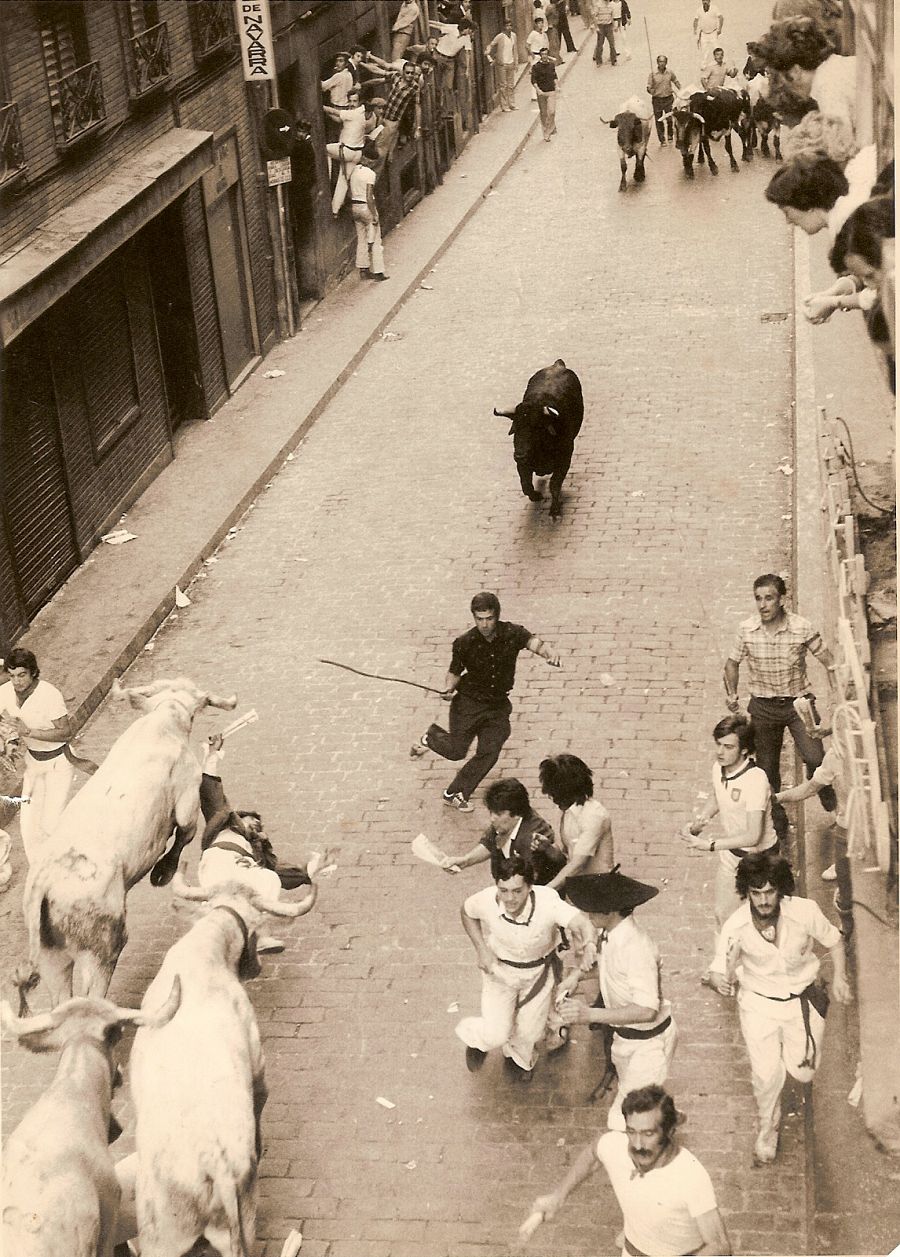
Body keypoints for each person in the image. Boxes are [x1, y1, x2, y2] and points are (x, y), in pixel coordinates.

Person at [708, 852, 851, 1164]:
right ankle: (768, 1126)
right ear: (746, 893)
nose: (763, 900)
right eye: (756, 893)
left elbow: (834, 940)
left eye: (770, 891)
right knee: (765, 1074)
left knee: (803, 1070)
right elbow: (720, 969)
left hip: (802, 1001)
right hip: (758, 1004)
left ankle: (786, 1074)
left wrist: (840, 977)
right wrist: (721, 980)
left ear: (781, 891)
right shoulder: (736, 926)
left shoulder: (804, 911)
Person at [530, 1085, 732, 1256]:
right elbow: (593, 1154)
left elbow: (720, 1245)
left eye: (648, 1133)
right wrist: (558, 1196)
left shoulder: (690, 1176)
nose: (637, 1144)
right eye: (631, 1131)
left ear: (670, 1132)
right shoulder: (617, 1147)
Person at [410, 592, 561, 811]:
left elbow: (534, 643)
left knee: (490, 751)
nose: (484, 624)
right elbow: (454, 671)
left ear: (496, 616)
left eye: (489, 618)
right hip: (468, 704)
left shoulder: (512, 633)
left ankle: (455, 792)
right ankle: (431, 737)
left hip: (497, 705)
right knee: (456, 751)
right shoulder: (465, 642)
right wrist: (448, 688)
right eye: (479, 619)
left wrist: (550, 653)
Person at [557, 871, 678, 1132]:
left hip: (649, 1044)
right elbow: (608, 966)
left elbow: (647, 1010)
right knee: (639, 1099)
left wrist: (588, 1015)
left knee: (621, 1121)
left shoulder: (636, 947)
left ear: (611, 910)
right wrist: (577, 977)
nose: (587, 913)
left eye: (593, 908)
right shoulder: (612, 933)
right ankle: (663, 1115)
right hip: (625, 1040)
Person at [455, 856, 593, 1082]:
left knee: (531, 1032)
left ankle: (517, 1058)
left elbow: (581, 923)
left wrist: (588, 945)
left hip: (537, 973)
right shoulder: (486, 899)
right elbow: (467, 912)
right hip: (500, 971)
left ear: (530, 886)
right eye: (504, 890)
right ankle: (477, 1041)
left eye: (517, 891)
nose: (509, 898)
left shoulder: (548, 901)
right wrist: (481, 949)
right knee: (496, 1033)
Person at [723, 574, 837, 841]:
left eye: (769, 598)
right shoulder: (746, 630)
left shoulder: (801, 627)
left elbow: (828, 661)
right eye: (758, 599)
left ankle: (824, 790)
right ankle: (778, 821)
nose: (763, 605)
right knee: (766, 770)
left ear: (781, 599)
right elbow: (731, 664)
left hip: (799, 705)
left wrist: (837, 696)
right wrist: (731, 694)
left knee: (815, 757)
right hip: (763, 708)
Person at [197, 733, 322, 950]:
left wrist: (309, 873)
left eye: (259, 826)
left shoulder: (256, 852)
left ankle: (258, 937)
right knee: (219, 901)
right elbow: (210, 793)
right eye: (251, 820)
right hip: (220, 859)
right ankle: (209, 935)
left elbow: (281, 873)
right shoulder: (223, 822)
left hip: (245, 867)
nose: (256, 825)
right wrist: (213, 755)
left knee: (269, 879)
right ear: (239, 817)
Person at [680, 715, 778, 931]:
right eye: (718, 745)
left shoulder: (755, 780)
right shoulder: (719, 767)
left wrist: (710, 845)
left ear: (744, 750)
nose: (720, 752)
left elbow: (754, 835)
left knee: (762, 923)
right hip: (732, 856)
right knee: (723, 916)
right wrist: (700, 822)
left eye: (728, 746)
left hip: (760, 860)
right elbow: (718, 796)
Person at [0, 649, 93, 861]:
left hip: (59, 762)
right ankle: (40, 874)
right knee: (29, 826)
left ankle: (79, 859)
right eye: (12, 675)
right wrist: (9, 740)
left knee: (52, 823)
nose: (16, 681)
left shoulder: (49, 694)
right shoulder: (5, 691)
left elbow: (66, 732)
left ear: (33, 673)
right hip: (33, 763)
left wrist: (29, 732)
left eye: (21, 675)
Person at [440, 777, 565, 884]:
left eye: (498, 814)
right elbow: (489, 842)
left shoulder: (532, 837)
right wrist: (465, 861)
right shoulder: (506, 823)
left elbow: (528, 880)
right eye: (491, 812)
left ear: (516, 814)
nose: (492, 818)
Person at [748, 16, 856, 134]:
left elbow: (841, 147)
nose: (782, 88)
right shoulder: (838, 66)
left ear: (795, 72)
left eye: (780, 80)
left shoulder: (827, 90)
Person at [538, 753, 614, 893]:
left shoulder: (594, 816)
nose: (552, 798)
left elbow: (578, 864)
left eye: (555, 794)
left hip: (599, 891)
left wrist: (545, 892)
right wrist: (548, 848)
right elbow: (566, 856)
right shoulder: (567, 813)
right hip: (576, 888)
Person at [323, 89, 373, 215]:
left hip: (346, 151)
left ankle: (325, 179)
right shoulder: (359, 113)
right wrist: (326, 113)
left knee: (323, 150)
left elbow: (336, 112)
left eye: (354, 101)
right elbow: (339, 120)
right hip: (356, 154)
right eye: (349, 101)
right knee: (343, 180)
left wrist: (321, 106)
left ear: (359, 101)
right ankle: (335, 209)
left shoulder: (355, 113)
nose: (351, 104)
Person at [348, 140, 387, 281]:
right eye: (372, 162)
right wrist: (374, 214)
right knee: (376, 239)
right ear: (368, 160)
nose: (372, 164)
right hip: (366, 207)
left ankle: (363, 269)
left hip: (354, 206)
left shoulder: (353, 171)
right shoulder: (370, 174)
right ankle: (378, 271)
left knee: (361, 239)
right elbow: (369, 196)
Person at [372, 59, 421, 160]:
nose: (410, 75)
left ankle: (377, 171)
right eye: (408, 72)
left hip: (392, 121)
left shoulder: (414, 87)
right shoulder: (397, 78)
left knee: (381, 147)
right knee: (377, 142)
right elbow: (379, 72)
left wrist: (417, 128)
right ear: (403, 72)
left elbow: (417, 107)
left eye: (412, 73)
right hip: (383, 116)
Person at [647, 54, 681, 144]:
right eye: (660, 62)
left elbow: (676, 81)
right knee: (659, 120)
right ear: (657, 63)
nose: (662, 64)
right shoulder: (652, 74)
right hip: (657, 99)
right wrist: (650, 90)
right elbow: (649, 87)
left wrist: (682, 91)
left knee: (670, 118)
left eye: (663, 62)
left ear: (666, 63)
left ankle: (670, 135)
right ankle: (662, 139)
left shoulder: (670, 72)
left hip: (668, 99)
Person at [485, 19, 518, 112]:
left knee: (511, 85)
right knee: (503, 85)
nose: (509, 28)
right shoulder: (500, 36)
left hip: (511, 62)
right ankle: (504, 105)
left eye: (510, 25)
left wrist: (516, 62)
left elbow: (515, 50)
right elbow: (491, 44)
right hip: (502, 64)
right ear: (504, 27)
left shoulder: (514, 36)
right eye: (507, 26)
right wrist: (488, 52)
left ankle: (512, 103)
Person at [531, 46, 559, 141]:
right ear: (540, 55)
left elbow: (554, 76)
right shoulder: (536, 67)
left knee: (551, 111)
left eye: (546, 54)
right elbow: (533, 80)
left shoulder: (551, 65)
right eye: (542, 54)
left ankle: (549, 129)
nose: (544, 56)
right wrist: (538, 90)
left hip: (551, 91)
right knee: (543, 113)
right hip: (542, 92)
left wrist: (557, 86)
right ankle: (546, 132)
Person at [525, 15, 550, 99]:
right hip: (535, 56)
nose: (540, 25)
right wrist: (532, 54)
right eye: (539, 23)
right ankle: (533, 95)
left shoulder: (543, 34)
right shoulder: (533, 34)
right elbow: (527, 45)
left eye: (541, 23)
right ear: (535, 24)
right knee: (534, 75)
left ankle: (542, 91)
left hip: (542, 55)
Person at [693, 0, 723, 68]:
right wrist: (695, 31)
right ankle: (704, 66)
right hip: (704, 34)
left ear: (709, 1)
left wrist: (719, 29)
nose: (705, 2)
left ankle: (720, 64)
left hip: (713, 33)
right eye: (703, 1)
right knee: (704, 51)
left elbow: (721, 18)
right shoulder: (699, 10)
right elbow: (695, 20)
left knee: (717, 48)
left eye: (706, 0)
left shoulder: (715, 8)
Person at [591, 0, 617, 67]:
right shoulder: (598, 4)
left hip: (609, 26)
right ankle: (599, 61)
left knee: (612, 43)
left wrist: (614, 26)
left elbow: (612, 16)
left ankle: (613, 60)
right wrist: (596, 26)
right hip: (601, 26)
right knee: (600, 44)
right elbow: (594, 15)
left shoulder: (611, 5)